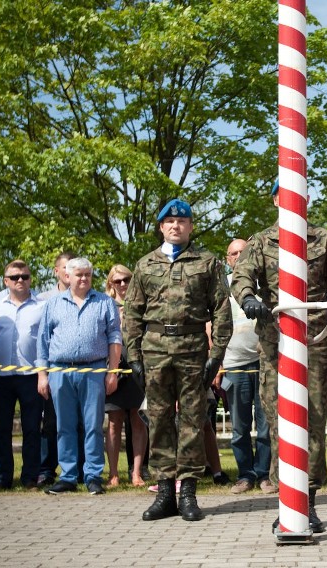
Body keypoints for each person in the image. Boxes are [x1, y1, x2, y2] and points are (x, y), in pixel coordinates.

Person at [231, 182, 327, 533]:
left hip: (314, 343)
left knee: (313, 421)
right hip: (275, 346)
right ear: (274, 200)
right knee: (279, 424)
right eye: (283, 195)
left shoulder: (324, 240)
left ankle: (309, 502)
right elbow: (242, 276)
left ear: (307, 199)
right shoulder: (261, 241)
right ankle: (287, 501)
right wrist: (249, 298)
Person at [125, 198, 232, 522]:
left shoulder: (208, 263)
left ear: (190, 226)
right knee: (157, 422)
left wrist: (216, 356)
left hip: (192, 350)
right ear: (161, 226)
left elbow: (222, 311)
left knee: (191, 422)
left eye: (182, 221)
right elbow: (132, 314)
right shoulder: (145, 265)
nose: (176, 226)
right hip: (155, 351)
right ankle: (164, 492)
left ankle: (187, 493)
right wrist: (133, 357)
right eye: (169, 221)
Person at [36, 257, 121, 496]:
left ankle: (93, 475)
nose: (83, 278)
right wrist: (42, 375)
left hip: (94, 371)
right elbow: (42, 341)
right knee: (64, 426)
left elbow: (115, 337)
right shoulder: (53, 304)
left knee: (93, 425)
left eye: (87, 275)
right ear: (67, 276)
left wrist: (112, 372)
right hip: (60, 371)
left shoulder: (104, 302)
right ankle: (68, 475)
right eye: (79, 274)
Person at [0, 260, 45, 489]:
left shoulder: (42, 304)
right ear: (5, 280)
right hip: (0, 375)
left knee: (32, 429)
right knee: (0, 428)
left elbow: (44, 339)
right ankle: (1, 477)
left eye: (25, 276)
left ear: (30, 278)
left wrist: (43, 372)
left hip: (31, 374)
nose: (20, 280)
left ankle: (30, 477)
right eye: (15, 277)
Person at [221, 239, 273, 495]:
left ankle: (265, 475)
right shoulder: (222, 286)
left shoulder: (264, 284)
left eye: (243, 252)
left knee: (265, 425)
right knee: (239, 427)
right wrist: (217, 360)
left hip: (265, 361)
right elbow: (214, 324)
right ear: (227, 259)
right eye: (234, 253)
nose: (239, 256)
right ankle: (245, 476)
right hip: (234, 364)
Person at [104, 264, 147, 487]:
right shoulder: (104, 304)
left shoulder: (142, 302)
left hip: (138, 367)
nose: (122, 284)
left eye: (126, 279)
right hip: (114, 370)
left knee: (139, 421)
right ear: (110, 283)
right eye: (117, 281)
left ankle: (137, 473)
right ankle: (113, 474)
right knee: (113, 423)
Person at [36, 251, 75, 487]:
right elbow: (41, 339)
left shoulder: (91, 297)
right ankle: (46, 470)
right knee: (51, 423)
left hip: (82, 373)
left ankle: (78, 470)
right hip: (54, 372)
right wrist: (43, 373)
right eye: (65, 267)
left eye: (74, 267)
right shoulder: (44, 300)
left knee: (79, 423)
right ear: (56, 271)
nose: (70, 272)